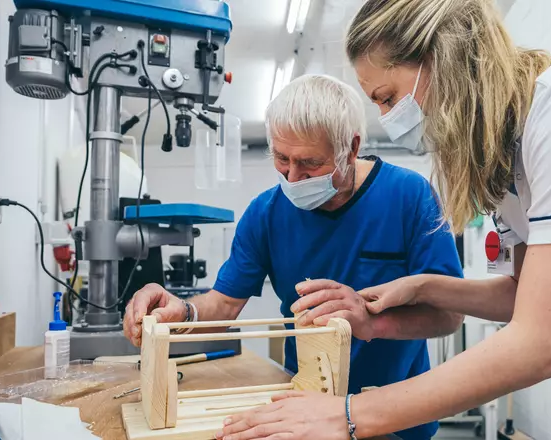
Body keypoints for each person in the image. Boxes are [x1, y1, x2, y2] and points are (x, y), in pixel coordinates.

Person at [215, 0, 551, 439]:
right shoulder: (514, 161)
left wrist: (350, 416)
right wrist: (420, 286)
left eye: (388, 97)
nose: (387, 118)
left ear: (441, 60)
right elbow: (521, 295)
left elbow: (540, 344)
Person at [123, 74, 464, 440]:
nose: (293, 177)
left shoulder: (410, 196)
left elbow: (448, 316)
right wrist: (184, 313)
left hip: (396, 416)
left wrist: (371, 320)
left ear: (351, 148)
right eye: (281, 158)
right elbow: (223, 305)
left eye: (310, 163)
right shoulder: (265, 213)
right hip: (302, 411)